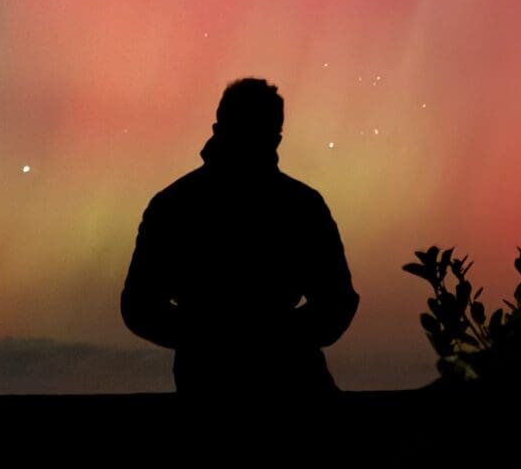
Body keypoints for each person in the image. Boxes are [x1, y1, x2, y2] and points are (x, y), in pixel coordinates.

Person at [121, 77, 359, 394]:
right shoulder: (301, 204)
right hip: (291, 383)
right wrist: (276, 339)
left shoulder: (173, 204)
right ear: (276, 138)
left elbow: (140, 308)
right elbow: (336, 303)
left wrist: (207, 340)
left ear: (218, 128)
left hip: (209, 381)